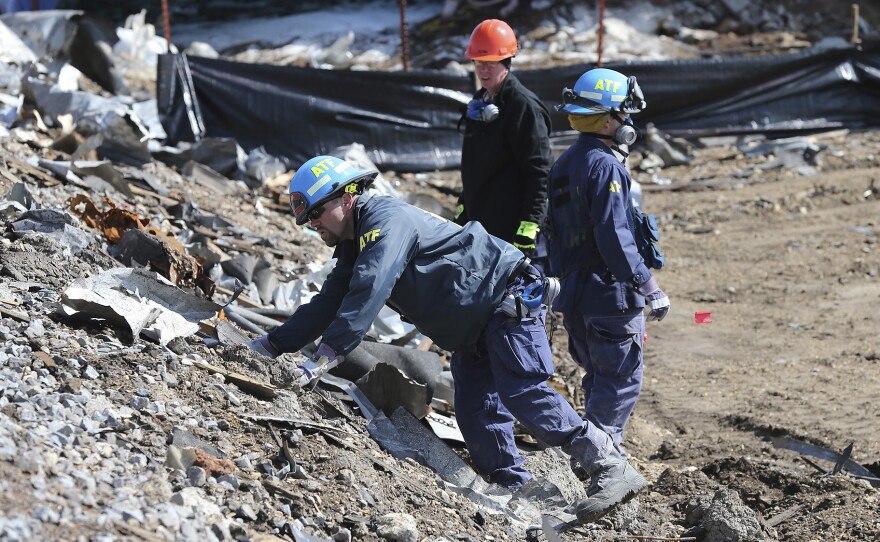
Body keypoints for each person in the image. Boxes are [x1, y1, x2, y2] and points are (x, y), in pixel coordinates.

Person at [247, 154, 647, 524]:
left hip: (506, 302)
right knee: (475, 411)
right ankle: (520, 489)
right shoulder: (355, 244)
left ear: (348, 196)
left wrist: (326, 356)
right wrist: (268, 346)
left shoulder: (385, 221)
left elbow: (370, 289)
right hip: (475, 328)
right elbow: (327, 304)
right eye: (308, 218)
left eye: (316, 212)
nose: (313, 224)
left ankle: (610, 465)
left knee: (522, 391)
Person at [548, 68, 670, 470]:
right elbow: (615, 236)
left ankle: (593, 449)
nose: (629, 124)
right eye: (625, 115)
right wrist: (648, 284)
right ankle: (602, 459)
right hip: (610, 295)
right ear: (607, 120)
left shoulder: (564, 163)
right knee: (619, 379)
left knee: (597, 376)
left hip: (577, 296)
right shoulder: (605, 166)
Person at [455, 19, 553, 273]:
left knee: (524, 305)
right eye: (478, 63)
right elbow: (475, 163)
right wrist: (466, 203)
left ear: (506, 62)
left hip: (515, 231)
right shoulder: (480, 103)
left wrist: (531, 223)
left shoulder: (524, 107)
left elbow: (540, 171)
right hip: (483, 226)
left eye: (489, 64)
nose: (482, 71)